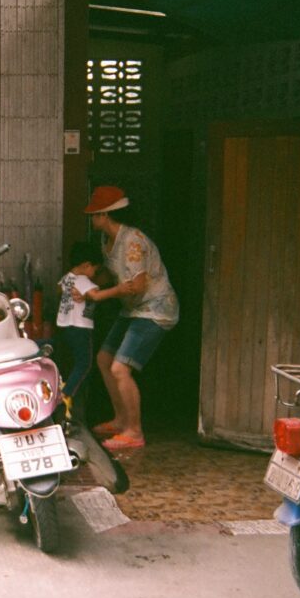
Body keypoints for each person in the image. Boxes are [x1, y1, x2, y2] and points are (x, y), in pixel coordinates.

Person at [78, 186, 179, 451]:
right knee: (104, 359)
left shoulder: (133, 241)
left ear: (106, 215)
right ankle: (121, 419)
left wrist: (100, 296)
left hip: (154, 309)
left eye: (95, 214)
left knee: (120, 368)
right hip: (133, 309)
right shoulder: (106, 241)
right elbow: (114, 277)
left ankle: (134, 431)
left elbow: (136, 286)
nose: (92, 219)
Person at [56, 241, 103, 415]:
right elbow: (96, 296)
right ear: (87, 265)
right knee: (84, 363)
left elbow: (58, 289)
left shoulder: (67, 277)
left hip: (67, 327)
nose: (94, 274)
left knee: (72, 360)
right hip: (81, 328)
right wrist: (119, 289)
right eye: (95, 270)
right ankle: (65, 395)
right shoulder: (83, 280)